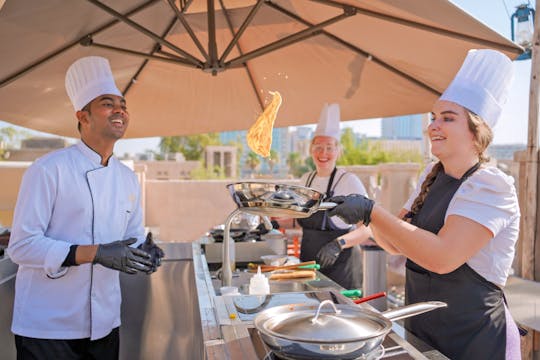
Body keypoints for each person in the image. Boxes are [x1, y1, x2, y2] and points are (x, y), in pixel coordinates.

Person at [327, 49, 521, 359]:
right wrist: (367, 217)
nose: (432, 126)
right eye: (433, 117)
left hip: (476, 341)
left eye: (447, 118)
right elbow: (393, 244)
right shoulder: (429, 179)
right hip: (426, 335)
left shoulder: (490, 186)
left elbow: (442, 258)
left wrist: (371, 210)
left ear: (476, 132)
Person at [7, 56, 164, 360]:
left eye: (123, 104)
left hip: (105, 324)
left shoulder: (127, 178)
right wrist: (95, 253)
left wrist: (144, 253)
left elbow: (129, 240)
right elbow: (22, 246)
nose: (120, 110)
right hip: (47, 329)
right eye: (108, 103)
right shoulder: (48, 170)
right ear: (84, 116)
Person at [296, 103, 373, 290]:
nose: (324, 153)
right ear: (310, 150)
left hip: (342, 267)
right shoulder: (306, 179)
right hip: (309, 264)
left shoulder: (348, 181)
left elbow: (367, 230)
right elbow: (298, 217)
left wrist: (339, 244)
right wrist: (271, 221)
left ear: (338, 151)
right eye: (318, 147)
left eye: (329, 147)